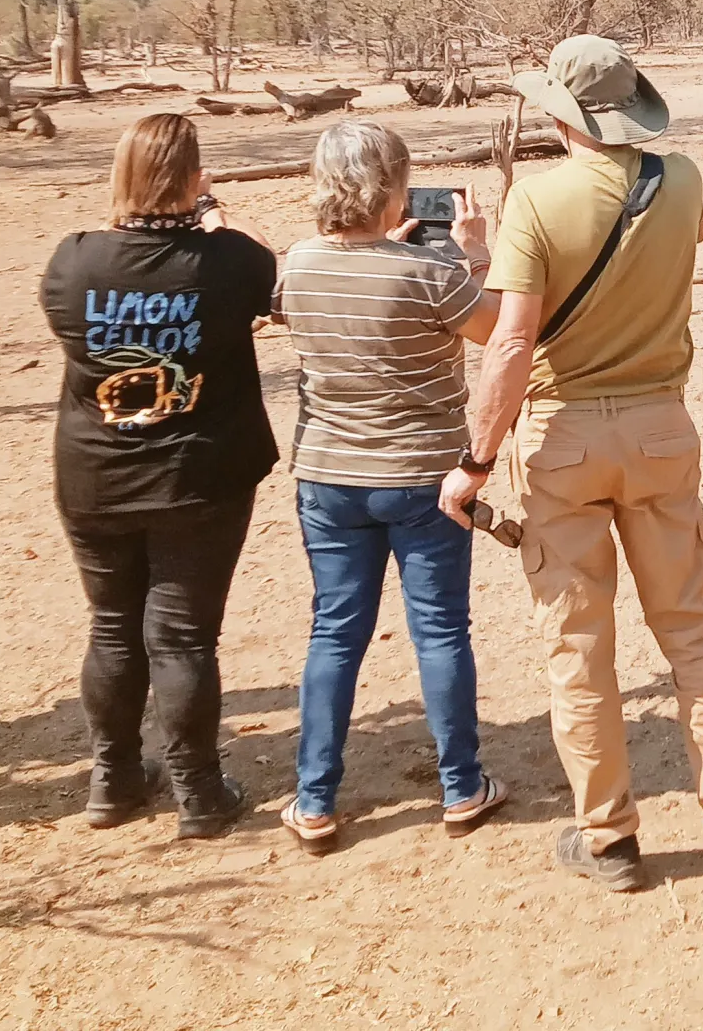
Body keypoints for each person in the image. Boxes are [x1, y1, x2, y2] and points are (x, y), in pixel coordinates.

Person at [439, 35, 703, 893]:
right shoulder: (683, 179)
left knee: (579, 648)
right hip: (661, 429)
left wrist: (474, 460)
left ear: (560, 113)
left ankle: (610, 838)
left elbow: (514, 338)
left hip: (562, 442)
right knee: (694, 633)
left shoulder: (536, 203)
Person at [40, 113, 277, 838]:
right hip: (195, 477)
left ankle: (112, 780)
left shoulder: (74, 260)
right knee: (181, 638)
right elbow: (250, 286)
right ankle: (199, 790)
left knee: (113, 628)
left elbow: (70, 328)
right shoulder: (233, 259)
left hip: (97, 472)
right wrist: (209, 225)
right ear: (195, 181)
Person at [275, 119, 506, 855]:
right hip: (424, 476)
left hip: (329, 475)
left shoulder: (299, 263)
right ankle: (462, 785)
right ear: (396, 188)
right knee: (440, 629)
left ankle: (314, 798)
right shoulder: (430, 275)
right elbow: (495, 331)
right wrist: (474, 256)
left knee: (334, 632)